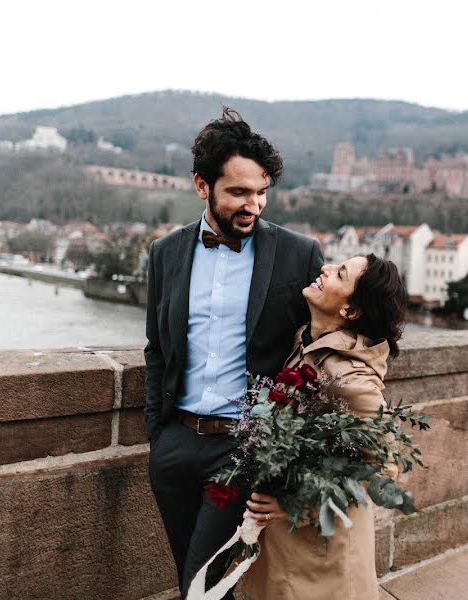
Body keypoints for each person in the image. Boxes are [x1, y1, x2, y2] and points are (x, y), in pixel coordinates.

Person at [144, 108, 324, 599]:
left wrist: (280, 455)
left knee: (203, 589)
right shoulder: (165, 253)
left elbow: (322, 352)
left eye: (262, 191)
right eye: (239, 192)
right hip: (175, 446)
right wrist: (158, 436)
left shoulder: (298, 254)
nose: (254, 204)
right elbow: (156, 350)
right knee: (199, 582)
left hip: (241, 452)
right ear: (202, 186)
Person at [239, 253, 406, 600]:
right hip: (289, 546)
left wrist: (297, 505)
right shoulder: (307, 340)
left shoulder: (350, 380)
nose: (325, 269)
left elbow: (386, 469)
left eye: (339, 273)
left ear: (351, 311)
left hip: (320, 556)